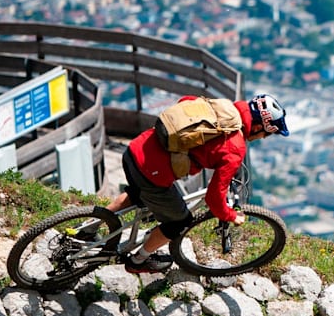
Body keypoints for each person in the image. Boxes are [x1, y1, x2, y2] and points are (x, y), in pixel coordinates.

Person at [106, 91, 288, 274]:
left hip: (136, 150)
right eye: (265, 134)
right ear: (258, 127)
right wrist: (230, 215)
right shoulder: (235, 147)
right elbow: (214, 198)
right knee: (179, 222)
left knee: (137, 194)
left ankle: (93, 224)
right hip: (151, 173)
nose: (262, 138)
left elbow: (185, 102)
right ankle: (138, 261)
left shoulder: (223, 107)